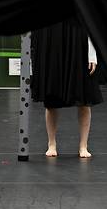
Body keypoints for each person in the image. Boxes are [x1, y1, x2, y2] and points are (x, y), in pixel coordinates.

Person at [31, 19, 100, 158]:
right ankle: (51, 144)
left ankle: (83, 145)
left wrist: (92, 54)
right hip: (52, 43)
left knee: (84, 99)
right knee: (51, 101)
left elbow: (89, 20)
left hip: (78, 42)